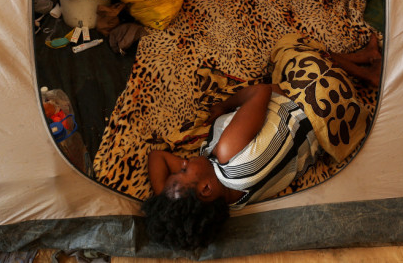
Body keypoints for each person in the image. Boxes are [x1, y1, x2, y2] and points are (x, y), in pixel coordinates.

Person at [141, 34, 382, 250]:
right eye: (183, 169)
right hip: (320, 97)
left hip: (334, 124)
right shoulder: (227, 152)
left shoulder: (232, 202)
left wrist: (167, 202)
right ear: (205, 188)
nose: (182, 162)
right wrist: (224, 106)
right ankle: (366, 70)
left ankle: (361, 58)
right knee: (287, 45)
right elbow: (262, 91)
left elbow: (156, 158)